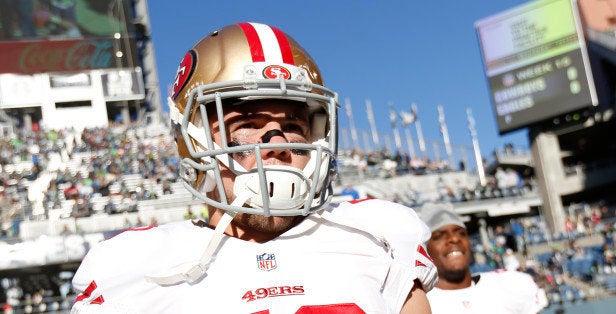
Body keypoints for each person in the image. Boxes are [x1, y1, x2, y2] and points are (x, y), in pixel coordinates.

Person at [71, 22, 438, 313]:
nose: (277, 145)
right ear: (194, 140)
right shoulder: (134, 268)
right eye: (246, 125)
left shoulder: (378, 236)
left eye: (293, 127)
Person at [420, 202, 548, 314]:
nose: (454, 239)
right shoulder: (417, 304)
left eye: (460, 233)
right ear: (425, 248)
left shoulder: (511, 284)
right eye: (439, 236)